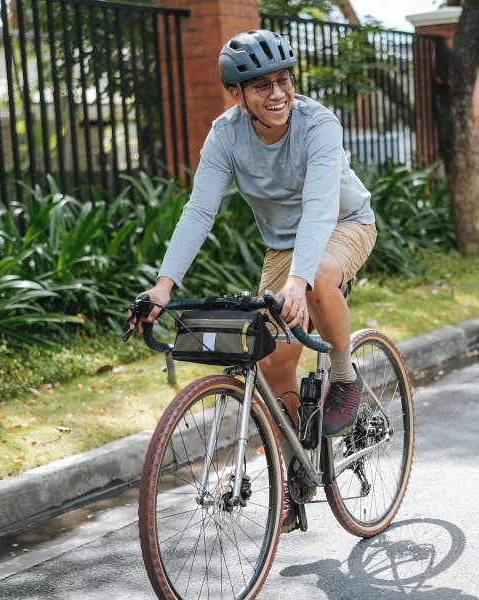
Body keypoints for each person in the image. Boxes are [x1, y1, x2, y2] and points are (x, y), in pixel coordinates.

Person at [136, 29, 378, 530]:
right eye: (261, 85)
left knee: (315, 282)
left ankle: (342, 372)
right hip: (283, 244)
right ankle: (297, 476)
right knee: (274, 362)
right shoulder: (225, 135)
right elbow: (200, 210)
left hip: (343, 223)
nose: (277, 94)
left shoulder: (318, 125)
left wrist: (298, 279)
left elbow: (317, 207)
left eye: (284, 80)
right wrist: (163, 286)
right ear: (236, 95)